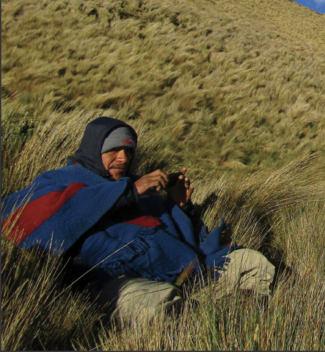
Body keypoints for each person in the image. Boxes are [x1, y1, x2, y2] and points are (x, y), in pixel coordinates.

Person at [1, 117, 275, 324]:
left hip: (182, 269)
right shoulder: (61, 179)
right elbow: (35, 214)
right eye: (114, 150)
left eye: (129, 151)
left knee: (253, 262)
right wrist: (129, 192)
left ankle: (243, 317)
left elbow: (175, 233)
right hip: (108, 278)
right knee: (158, 304)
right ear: (93, 148)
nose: (123, 158)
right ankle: (203, 311)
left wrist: (181, 206)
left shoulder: (135, 186)